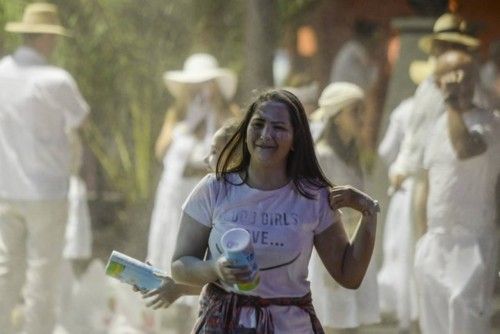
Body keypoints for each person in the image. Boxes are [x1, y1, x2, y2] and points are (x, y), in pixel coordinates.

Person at [168, 89, 380, 333]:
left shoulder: (313, 197)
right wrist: (215, 269)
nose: (266, 135)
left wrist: (369, 213)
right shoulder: (214, 189)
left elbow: (349, 276)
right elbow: (180, 266)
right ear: (246, 130)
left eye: (279, 127)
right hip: (224, 324)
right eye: (258, 124)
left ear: (295, 140)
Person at [0, 3, 90, 334]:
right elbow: (81, 119)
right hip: (46, 190)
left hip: (6, 187)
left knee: (6, 269)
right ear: (45, 39)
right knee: (42, 274)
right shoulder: (55, 79)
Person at [146, 53, 238, 331]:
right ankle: (171, 315)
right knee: (172, 247)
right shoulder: (176, 115)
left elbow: (235, 148)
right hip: (175, 191)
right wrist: (186, 123)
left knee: (202, 251)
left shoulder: (228, 114)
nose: (199, 91)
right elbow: (160, 151)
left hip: (207, 193)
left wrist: (215, 113)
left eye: (204, 85)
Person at [414, 49, 500, 334]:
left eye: (465, 78)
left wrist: (451, 103)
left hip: (474, 240)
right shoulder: (437, 125)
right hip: (436, 242)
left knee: (467, 320)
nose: (459, 85)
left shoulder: (490, 122)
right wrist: (421, 241)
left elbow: (465, 148)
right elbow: (427, 184)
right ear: (438, 84)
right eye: (451, 80)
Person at [308, 82, 380, 332]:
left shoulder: (354, 157)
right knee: (333, 322)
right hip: (334, 250)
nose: (362, 118)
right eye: (354, 111)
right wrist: (333, 262)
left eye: (362, 110)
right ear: (337, 117)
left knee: (352, 323)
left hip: (354, 247)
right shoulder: (323, 156)